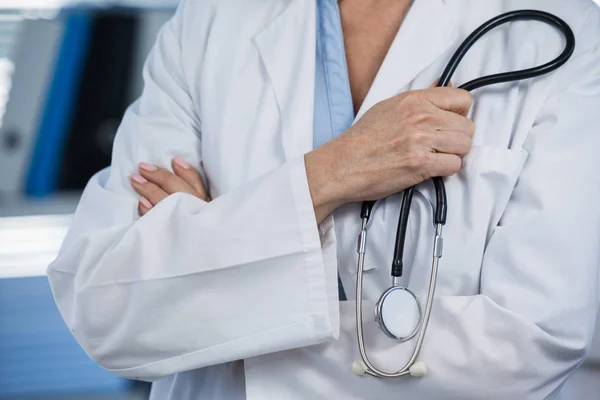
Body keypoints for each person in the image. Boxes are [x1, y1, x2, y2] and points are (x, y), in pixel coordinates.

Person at [47, 0, 600, 398]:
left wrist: (214, 308)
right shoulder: (209, 22)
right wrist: (330, 173)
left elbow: (529, 343)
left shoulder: (570, 32)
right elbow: (105, 305)